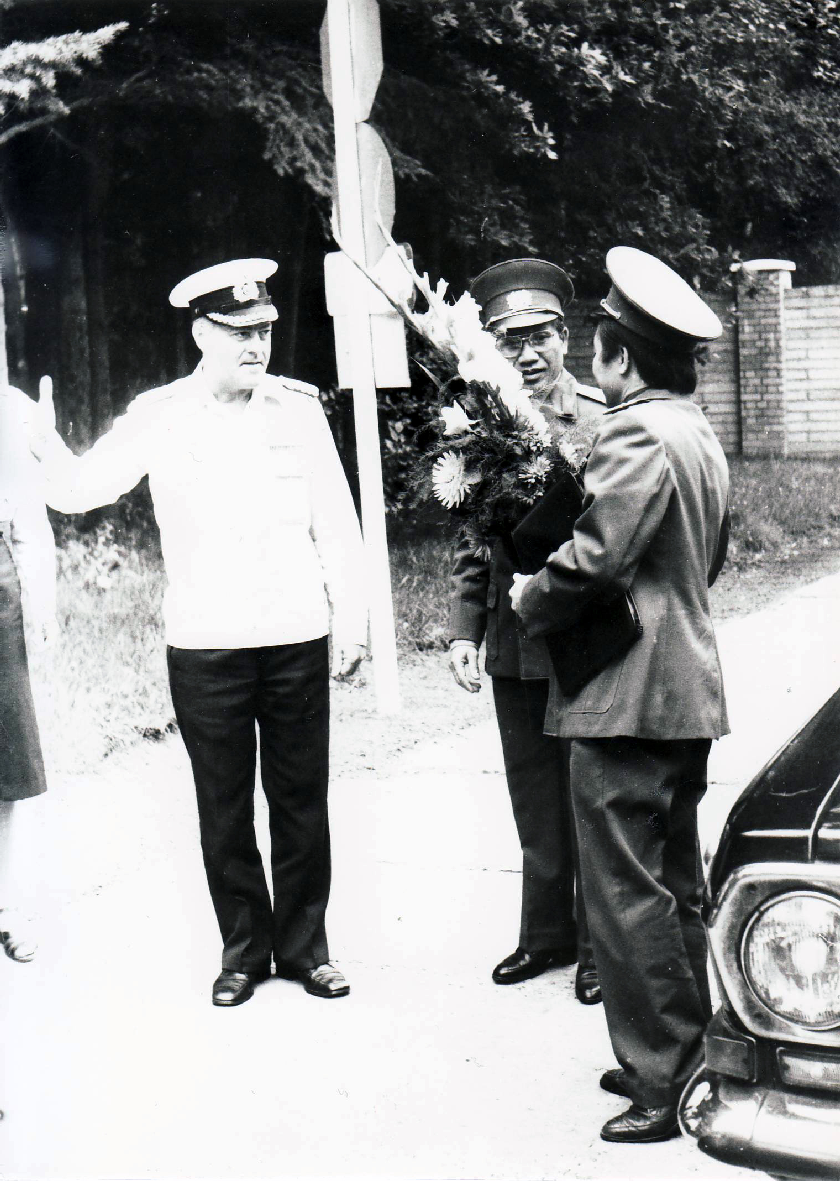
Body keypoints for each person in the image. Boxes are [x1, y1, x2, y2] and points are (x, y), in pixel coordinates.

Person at [36, 259, 366, 1007]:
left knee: (301, 799)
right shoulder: (161, 415)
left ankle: (307, 949)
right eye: (239, 332)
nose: (257, 345)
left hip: (294, 633)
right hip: (207, 641)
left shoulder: (298, 412)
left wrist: (351, 620)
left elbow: (336, 524)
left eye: (264, 331)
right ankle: (243, 951)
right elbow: (82, 488)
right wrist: (45, 444)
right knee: (223, 806)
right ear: (201, 335)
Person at [510, 246, 729, 1144]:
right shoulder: (695, 428)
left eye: (597, 348)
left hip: (627, 694)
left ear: (621, 357)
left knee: (624, 892)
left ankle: (661, 1076)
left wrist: (530, 595)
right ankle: (693, 1050)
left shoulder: (634, 431)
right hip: (684, 686)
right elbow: (709, 557)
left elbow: (595, 558)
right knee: (674, 881)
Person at [448, 258, 605, 1001]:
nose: (529, 353)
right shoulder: (480, 421)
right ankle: (545, 935)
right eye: (512, 341)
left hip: (583, 638)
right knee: (533, 795)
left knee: (590, 794)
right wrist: (463, 630)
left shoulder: (602, 418)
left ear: (565, 338)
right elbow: (471, 536)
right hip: (515, 640)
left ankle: (601, 945)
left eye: (541, 336)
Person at [0, 383, 56, 966]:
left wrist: (41, 608)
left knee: (6, 761)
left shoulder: (9, 409)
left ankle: (8, 906)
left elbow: (30, 523)